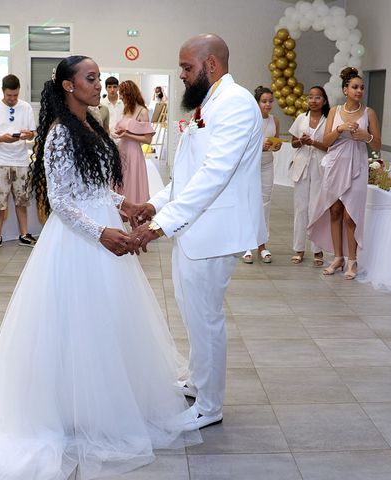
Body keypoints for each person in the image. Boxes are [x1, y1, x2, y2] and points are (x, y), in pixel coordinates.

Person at [0, 55, 200, 480]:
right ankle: (67, 405)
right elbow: (60, 202)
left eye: (98, 79)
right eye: (91, 79)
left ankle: (110, 396)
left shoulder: (91, 124)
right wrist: (101, 233)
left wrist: (123, 205)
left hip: (102, 227)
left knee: (108, 321)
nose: (99, 85)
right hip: (79, 241)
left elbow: (90, 187)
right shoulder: (59, 133)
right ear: (69, 87)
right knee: (74, 323)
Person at [129, 34, 264, 431]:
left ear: (210, 65)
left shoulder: (237, 103)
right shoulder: (210, 101)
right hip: (194, 228)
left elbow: (214, 176)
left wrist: (159, 227)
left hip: (215, 231)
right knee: (192, 313)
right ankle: (198, 380)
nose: (182, 75)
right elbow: (189, 173)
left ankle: (209, 406)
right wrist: (154, 204)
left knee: (206, 319)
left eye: (187, 67)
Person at [308, 67, 381, 280]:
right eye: (355, 87)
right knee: (335, 211)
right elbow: (326, 142)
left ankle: (352, 260)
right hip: (336, 163)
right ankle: (338, 257)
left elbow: (377, 144)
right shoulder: (334, 112)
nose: (359, 91)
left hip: (357, 163)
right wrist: (339, 130)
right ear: (345, 89)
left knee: (351, 215)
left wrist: (365, 136)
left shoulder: (370, 113)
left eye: (362, 87)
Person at [0, 74, 38, 252]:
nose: (13, 99)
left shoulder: (26, 107)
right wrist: (1, 138)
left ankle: (24, 233)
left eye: (15, 95)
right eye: (9, 96)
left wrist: (26, 135)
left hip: (21, 161)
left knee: (22, 200)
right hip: (0, 161)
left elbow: (32, 133)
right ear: (3, 92)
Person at [289, 86, 329, 266]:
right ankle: (299, 249)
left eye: (317, 98)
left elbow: (330, 146)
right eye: (310, 97)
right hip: (302, 166)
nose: (313, 101)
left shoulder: (329, 120)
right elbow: (293, 144)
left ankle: (317, 250)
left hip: (320, 167)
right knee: (301, 208)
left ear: (324, 101)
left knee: (316, 208)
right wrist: (302, 141)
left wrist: (314, 142)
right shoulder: (301, 118)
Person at [242, 86, 281, 264]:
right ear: (257, 102)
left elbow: (277, 139)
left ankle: (262, 244)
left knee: (265, 202)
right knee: (250, 202)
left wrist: (276, 145)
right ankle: (247, 244)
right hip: (251, 164)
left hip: (267, 164)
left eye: (270, 101)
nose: (267, 104)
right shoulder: (249, 120)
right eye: (264, 101)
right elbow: (243, 144)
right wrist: (259, 146)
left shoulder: (275, 120)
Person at [113, 80, 155, 204]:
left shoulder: (142, 111)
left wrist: (127, 135)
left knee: (131, 181)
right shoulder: (126, 110)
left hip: (133, 152)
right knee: (122, 179)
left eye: (122, 93)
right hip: (122, 150)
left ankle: (133, 207)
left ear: (130, 94)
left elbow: (148, 139)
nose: (120, 97)